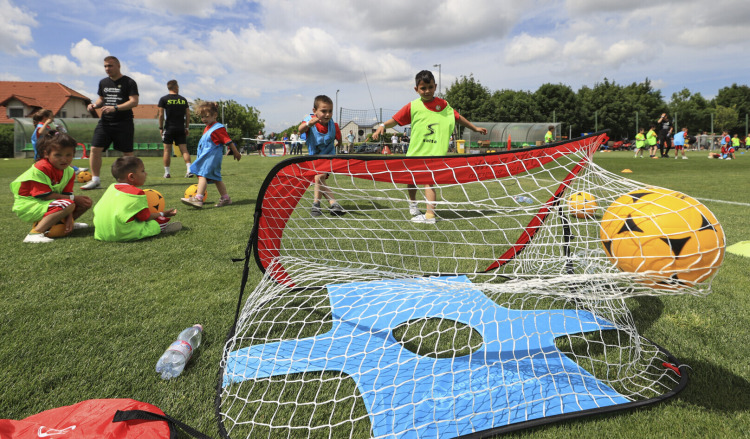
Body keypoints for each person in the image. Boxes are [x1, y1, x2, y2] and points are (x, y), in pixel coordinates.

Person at [372, 70, 488, 224]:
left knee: (428, 181)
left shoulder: (443, 105)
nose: (427, 91)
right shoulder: (413, 106)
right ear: (416, 89)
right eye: (423, 88)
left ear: (435, 86)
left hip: (433, 153)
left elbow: (458, 118)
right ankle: (413, 205)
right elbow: (395, 120)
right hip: (415, 151)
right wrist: (382, 126)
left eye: (430, 87)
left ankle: (430, 215)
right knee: (411, 179)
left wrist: (474, 128)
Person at [11, 132, 93, 243]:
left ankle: (64, 223)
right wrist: (74, 199)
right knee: (70, 203)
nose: (64, 159)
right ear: (46, 154)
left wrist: (70, 218)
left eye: (68, 155)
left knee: (85, 202)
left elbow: (67, 195)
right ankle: (35, 233)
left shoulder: (69, 171)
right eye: (58, 155)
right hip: (29, 205)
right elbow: (45, 196)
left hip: (48, 202)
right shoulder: (41, 168)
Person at [81, 56, 139, 190]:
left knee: (128, 154)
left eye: (110, 66)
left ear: (118, 66)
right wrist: (94, 105)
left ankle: (130, 182)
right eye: (105, 66)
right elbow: (102, 99)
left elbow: (134, 101)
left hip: (124, 122)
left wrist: (116, 107)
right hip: (105, 122)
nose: (107, 69)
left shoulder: (129, 82)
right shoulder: (103, 82)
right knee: (95, 149)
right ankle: (95, 180)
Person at [93, 156, 181, 241]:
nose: (145, 173)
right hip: (122, 234)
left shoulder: (111, 188)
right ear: (131, 177)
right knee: (158, 221)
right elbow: (145, 218)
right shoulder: (136, 193)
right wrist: (163, 214)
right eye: (143, 171)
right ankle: (163, 227)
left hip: (100, 233)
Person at [181, 101, 241, 208]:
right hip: (209, 158)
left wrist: (235, 152)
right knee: (216, 178)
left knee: (202, 175)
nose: (204, 119)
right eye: (202, 117)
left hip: (211, 158)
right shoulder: (208, 127)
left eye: (207, 116)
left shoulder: (217, 128)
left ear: (215, 115)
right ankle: (225, 198)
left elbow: (228, 141)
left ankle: (198, 198)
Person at [298, 94, 346, 217]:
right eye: (323, 111)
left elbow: (339, 140)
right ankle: (334, 203)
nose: (327, 114)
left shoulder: (333, 126)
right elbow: (300, 129)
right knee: (320, 180)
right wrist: (309, 124)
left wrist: (338, 144)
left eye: (330, 111)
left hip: (328, 157)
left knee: (319, 177)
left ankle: (316, 204)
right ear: (315, 111)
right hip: (314, 157)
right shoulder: (309, 120)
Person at [157, 80, 192, 178]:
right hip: (181, 128)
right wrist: (187, 127)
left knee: (167, 151)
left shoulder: (163, 99)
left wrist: (160, 127)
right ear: (176, 87)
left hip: (169, 128)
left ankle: (167, 173)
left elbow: (160, 115)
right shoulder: (183, 99)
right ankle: (189, 170)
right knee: (184, 150)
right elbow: (188, 114)